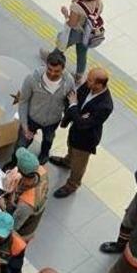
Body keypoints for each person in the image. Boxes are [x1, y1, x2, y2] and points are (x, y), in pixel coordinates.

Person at [51, 67, 112, 198]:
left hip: (86, 140)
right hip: (75, 130)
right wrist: (75, 115)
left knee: (79, 164)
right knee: (70, 146)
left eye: (90, 80)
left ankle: (72, 184)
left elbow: (83, 123)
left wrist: (74, 107)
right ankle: (68, 161)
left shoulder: (105, 106)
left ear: (99, 85)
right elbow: (73, 97)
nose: (85, 81)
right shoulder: (88, 86)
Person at [13, 50, 75, 166]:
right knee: (21, 145)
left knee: (48, 140)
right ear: (46, 65)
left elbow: (71, 101)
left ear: (63, 69)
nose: (52, 74)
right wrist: (25, 126)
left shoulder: (69, 82)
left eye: (57, 71)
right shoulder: (32, 78)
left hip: (53, 121)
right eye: (49, 69)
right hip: (32, 118)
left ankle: (44, 155)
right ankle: (14, 162)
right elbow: (23, 102)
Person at [47, 0, 103, 83]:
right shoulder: (99, 3)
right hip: (88, 34)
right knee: (82, 54)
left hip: (76, 33)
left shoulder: (77, 6)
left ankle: (51, 60)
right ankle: (79, 76)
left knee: (61, 47)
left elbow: (72, 23)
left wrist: (65, 13)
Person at [0, 148, 49, 250]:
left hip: (22, 230)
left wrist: (2, 207)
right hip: (29, 211)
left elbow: (12, 226)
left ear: (20, 172)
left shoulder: (26, 204)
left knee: (8, 246)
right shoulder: (41, 170)